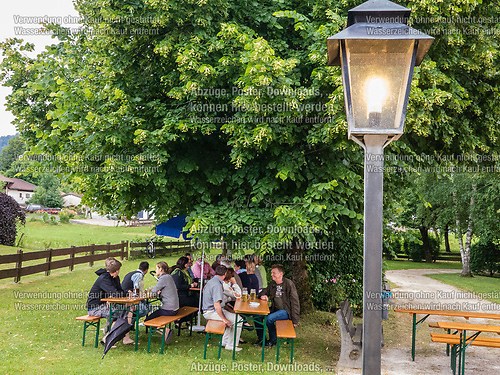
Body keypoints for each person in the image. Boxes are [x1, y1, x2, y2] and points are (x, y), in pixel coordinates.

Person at [86, 257, 134, 345]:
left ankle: (112, 334)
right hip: (94, 308)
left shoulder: (115, 278)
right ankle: (108, 338)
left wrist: (127, 292)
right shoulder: (104, 279)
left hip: (105, 305)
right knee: (118, 313)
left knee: (125, 311)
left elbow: (120, 291)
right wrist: (122, 294)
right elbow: (115, 293)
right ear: (116, 270)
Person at [254, 264, 300, 347]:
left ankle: (273, 340)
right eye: (271, 273)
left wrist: (295, 320)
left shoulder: (289, 284)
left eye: (274, 273)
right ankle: (262, 339)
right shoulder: (273, 284)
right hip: (274, 309)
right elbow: (263, 292)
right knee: (257, 315)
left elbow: (295, 302)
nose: (272, 274)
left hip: (285, 311)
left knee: (269, 319)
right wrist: (262, 296)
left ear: (281, 274)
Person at [202, 265, 243, 352]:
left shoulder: (212, 281)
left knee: (232, 318)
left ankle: (225, 342)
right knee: (238, 320)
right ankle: (231, 345)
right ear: (225, 274)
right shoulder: (217, 285)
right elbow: (217, 305)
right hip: (210, 312)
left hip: (209, 310)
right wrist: (224, 319)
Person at [145, 261, 179, 344]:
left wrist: (149, 292)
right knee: (156, 313)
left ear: (161, 269)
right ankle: (165, 331)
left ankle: (166, 331)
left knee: (147, 321)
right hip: (175, 308)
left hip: (169, 309)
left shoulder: (163, 278)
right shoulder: (169, 277)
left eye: (156, 268)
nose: (156, 270)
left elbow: (153, 292)